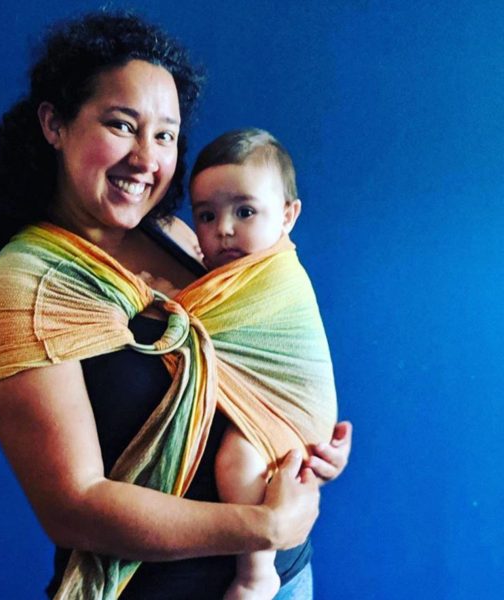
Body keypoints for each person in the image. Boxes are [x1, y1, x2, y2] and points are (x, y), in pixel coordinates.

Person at [0, 11, 352, 600]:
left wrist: (305, 442)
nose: (146, 158)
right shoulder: (20, 290)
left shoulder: (180, 235)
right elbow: (74, 506)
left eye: (165, 135)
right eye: (121, 125)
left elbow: (252, 373)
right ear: (54, 124)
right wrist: (264, 527)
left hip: (289, 579)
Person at [182, 128, 337, 599]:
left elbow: (186, 325)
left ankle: (255, 573)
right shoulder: (221, 274)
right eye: (206, 215)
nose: (223, 228)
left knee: (238, 461)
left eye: (244, 211)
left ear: (288, 215)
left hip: (290, 406)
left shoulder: (274, 276)